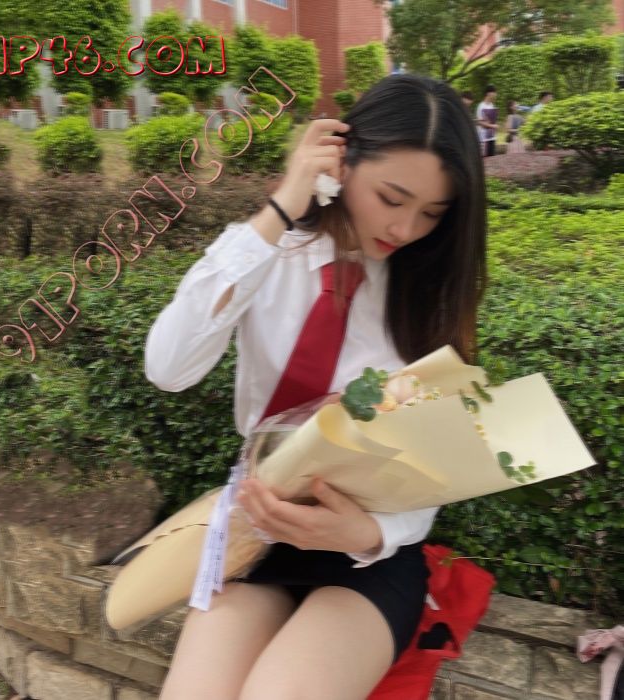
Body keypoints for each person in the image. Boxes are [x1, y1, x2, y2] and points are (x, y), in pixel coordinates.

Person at [146, 73, 488, 700]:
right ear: (340, 159)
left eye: (432, 213)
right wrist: (282, 206)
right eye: (391, 198)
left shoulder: (427, 293)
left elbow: (432, 472)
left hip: (365, 555)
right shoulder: (264, 254)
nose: (406, 228)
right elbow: (169, 368)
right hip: (257, 534)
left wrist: (368, 535)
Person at [475, 85, 499, 157]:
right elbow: (479, 122)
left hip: (492, 137)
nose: (495, 94)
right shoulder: (481, 106)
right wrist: (492, 126)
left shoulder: (491, 105)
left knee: (492, 158)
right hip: (484, 138)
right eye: (494, 92)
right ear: (488, 93)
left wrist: (495, 125)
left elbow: (492, 120)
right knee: (485, 159)